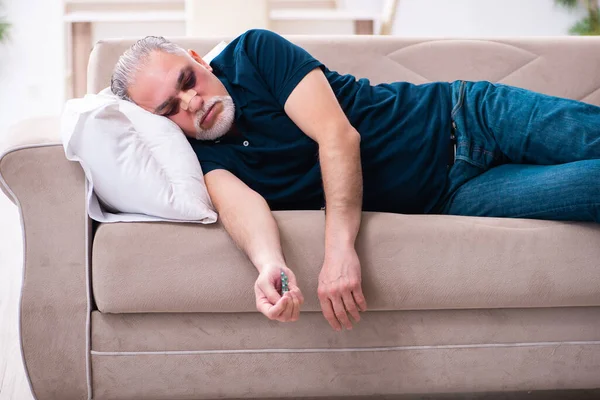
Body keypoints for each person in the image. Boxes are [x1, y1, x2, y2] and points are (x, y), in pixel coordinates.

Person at [110, 29, 600, 332]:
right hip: (456, 194)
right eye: (170, 108)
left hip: (468, 115)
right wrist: (269, 268)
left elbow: (337, 137)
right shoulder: (195, 157)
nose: (192, 103)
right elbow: (245, 210)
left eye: (187, 82)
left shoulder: (253, 53)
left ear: (198, 59)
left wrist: (339, 250)